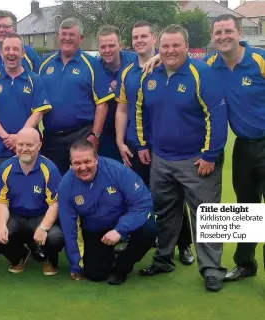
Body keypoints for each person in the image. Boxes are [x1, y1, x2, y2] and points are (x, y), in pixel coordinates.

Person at [135, 24, 228, 292]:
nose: (170, 50)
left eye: (176, 45)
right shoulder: (150, 74)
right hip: (161, 159)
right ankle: (164, 259)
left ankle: (212, 269)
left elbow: (216, 115)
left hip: (196, 160)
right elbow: (140, 110)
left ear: (187, 47)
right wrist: (142, 143)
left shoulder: (202, 73)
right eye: (165, 46)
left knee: (207, 216)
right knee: (165, 213)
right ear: (158, 48)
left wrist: (210, 155)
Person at [114, 21, 194, 265]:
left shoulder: (164, 67)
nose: (139, 41)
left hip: (161, 144)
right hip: (134, 144)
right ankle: (140, 238)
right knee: (136, 195)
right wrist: (119, 140)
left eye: (144, 36)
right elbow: (122, 110)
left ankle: (184, 245)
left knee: (173, 197)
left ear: (154, 39)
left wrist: (161, 55)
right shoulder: (128, 72)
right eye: (135, 37)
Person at [0, 33, 51, 262]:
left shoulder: (34, 80)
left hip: (28, 146)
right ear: (2, 52)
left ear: (22, 53)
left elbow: (39, 111)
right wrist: (5, 135)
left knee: (33, 192)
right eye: (7, 49)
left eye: (15, 50)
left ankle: (35, 241)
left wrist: (19, 137)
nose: (11, 53)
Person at [204, 14, 265, 282]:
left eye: (228, 31)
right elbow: (181, 63)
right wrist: (156, 57)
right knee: (247, 208)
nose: (223, 36)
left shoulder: (259, 60)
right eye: (218, 33)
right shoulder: (210, 65)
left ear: (239, 33)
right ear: (212, 37)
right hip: (242, 147)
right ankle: (245, 264)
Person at [57, 140, 157, 285]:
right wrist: (75, 264)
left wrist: (120, 230)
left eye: (87, 161)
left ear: (96, 159)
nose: (83, 167)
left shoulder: (117, 171)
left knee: (149, 230)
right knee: (95, 274)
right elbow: (69, 228)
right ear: (71, 163)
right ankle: (110, 253)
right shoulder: (66, 186)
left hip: (123, 222)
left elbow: (143, 202)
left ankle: (123, 266)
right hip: (96, 229)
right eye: (77, 163)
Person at [38, 18, 114, 175]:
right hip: (51, 138)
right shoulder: (45, 64)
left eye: (71, 34)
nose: (66, 38)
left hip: (81, 136)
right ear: (58, 36)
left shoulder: (92, 65)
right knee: (52, 184)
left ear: (81, 38)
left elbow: (102, 104)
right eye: (63, 34)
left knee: (83, 182)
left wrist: (95, 135)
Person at [0, 127, 64, 275]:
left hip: (41, 215)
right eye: (20, 144)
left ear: (39, 146)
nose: (24, 149)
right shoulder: (5, 168)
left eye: (29, 145)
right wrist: (2, 226)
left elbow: (55, 204)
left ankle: (50, 259)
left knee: (55, 237)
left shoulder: (49, 169)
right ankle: (19, 256)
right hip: (15, 215)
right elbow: (1, 202)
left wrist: (43, 228)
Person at [95, 25, 137, 162]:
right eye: (103, 46)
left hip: (134, 132)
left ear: (120, 45)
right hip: (106, 134)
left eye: (111, 46)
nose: (107, 50)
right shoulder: (94, 68)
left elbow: (162, 55)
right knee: (109, 175)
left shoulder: (135, 61)